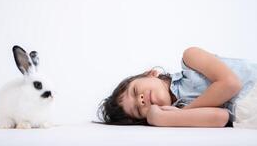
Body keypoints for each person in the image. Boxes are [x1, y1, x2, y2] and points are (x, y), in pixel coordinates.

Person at [98, 47, 257, 128]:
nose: (140, 101)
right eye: (138, 111)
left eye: (134, 91)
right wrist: (165, 118)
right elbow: (221, 118)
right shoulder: (178, 112)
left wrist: (184, 111)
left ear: (150, 73)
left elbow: (231, 84)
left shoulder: (190, 59)